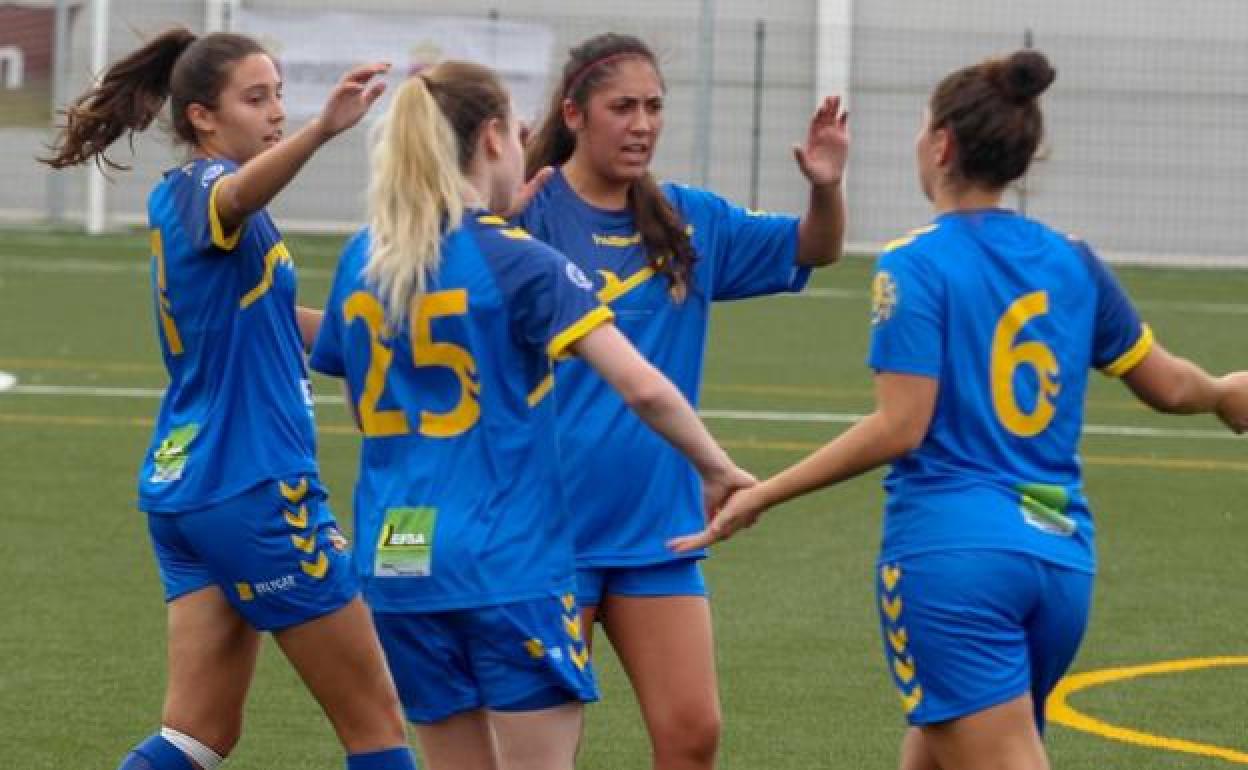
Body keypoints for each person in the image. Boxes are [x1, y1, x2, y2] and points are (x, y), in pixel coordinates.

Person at [673, 49, 1248, 770]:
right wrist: (1227, 392)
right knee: (937, 749)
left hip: (954, 561)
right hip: (1059, 559)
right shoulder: (1071, 259)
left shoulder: (917, 262)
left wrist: (764, 494)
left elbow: (900, 425)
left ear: (941, 144)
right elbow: (1169, 386)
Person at [309, 61, 754, 770]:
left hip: (397, 563)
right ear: (490, 138)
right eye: (516, 131)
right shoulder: (520, 261)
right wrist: (717, 466)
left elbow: (347, 367)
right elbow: (642, 387)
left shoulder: (368, 254)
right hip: (503, 563)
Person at [42, 28, 418, 770]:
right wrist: (321, 131)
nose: (275, 110)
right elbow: (241, 192)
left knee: (199, 734)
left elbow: (284, 325)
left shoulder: (209, 205)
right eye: (257, 97)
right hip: (254, 485)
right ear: (201, 118)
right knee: (377, 724)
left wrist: (390, 338)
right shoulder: (206, 190)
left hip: (192, 488)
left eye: (280, 94)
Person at [516, 32, 848, 770]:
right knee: (539, 752)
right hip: (544, 532)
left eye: (654, 107)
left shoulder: (692, 221)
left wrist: (825, 185)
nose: (642, 124)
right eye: (622, 107)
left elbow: (814, 248)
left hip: (658, 533)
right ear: (574, 113)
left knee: (693, 736)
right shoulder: (527, 218)